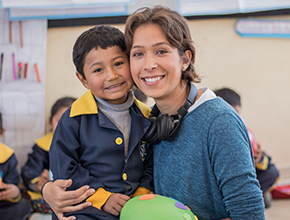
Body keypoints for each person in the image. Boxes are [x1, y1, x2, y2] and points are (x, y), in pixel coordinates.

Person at [42, 6, 265, 220]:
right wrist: (48, 189)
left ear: (185, 60)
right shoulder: (152, 117)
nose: (149, 64)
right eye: (138, 54)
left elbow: (249, 210)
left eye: (161, 51)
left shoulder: (218, 120)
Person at [47, 25, 154, 220]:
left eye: (119, 63)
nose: (111, 76)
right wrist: (102, 198)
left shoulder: (147, 116)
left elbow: (152, 164)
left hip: (135, 208)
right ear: (83, 80)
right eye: (98, 70)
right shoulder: (73, 118)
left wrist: (140, 197)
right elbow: (64, 168)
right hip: (85, 208)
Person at [214, 87, 280, 208]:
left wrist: (259, 158)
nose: (233, 117)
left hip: (243, 174)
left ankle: (256, 196)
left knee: (271, 171)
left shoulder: (243, 129)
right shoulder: (212, 131)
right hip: (221, 179)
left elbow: (260, 157)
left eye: (237, 113)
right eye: (229, 112)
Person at [21, 97, 76, 218]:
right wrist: (38, 183)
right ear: (51, 123)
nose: (64, 127)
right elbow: (29, 172)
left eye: (72, 121)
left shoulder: (86, 146)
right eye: (59, 121)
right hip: (49, 196)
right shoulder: (42, 147)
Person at [0, 111, 33, 220]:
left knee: (23, 205)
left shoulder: (7, 156)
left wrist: (14, 192)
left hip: (2, 205)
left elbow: (13, 185)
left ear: (1, 132)